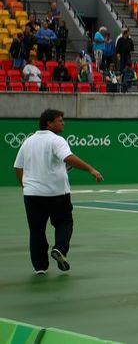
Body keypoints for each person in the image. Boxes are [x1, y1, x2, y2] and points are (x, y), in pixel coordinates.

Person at [13, 109, 104, 275]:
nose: (63, 123)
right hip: (56, 194)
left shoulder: (28, 141)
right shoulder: (57, 140)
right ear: (49, 123)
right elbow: (68, 158)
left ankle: (40, 267)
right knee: (64, 223)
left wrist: (25, 186)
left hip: (32, 195)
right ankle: (60, 249)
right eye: (59, 120)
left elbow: (17, 167)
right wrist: (91, 169)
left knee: (36, 230)